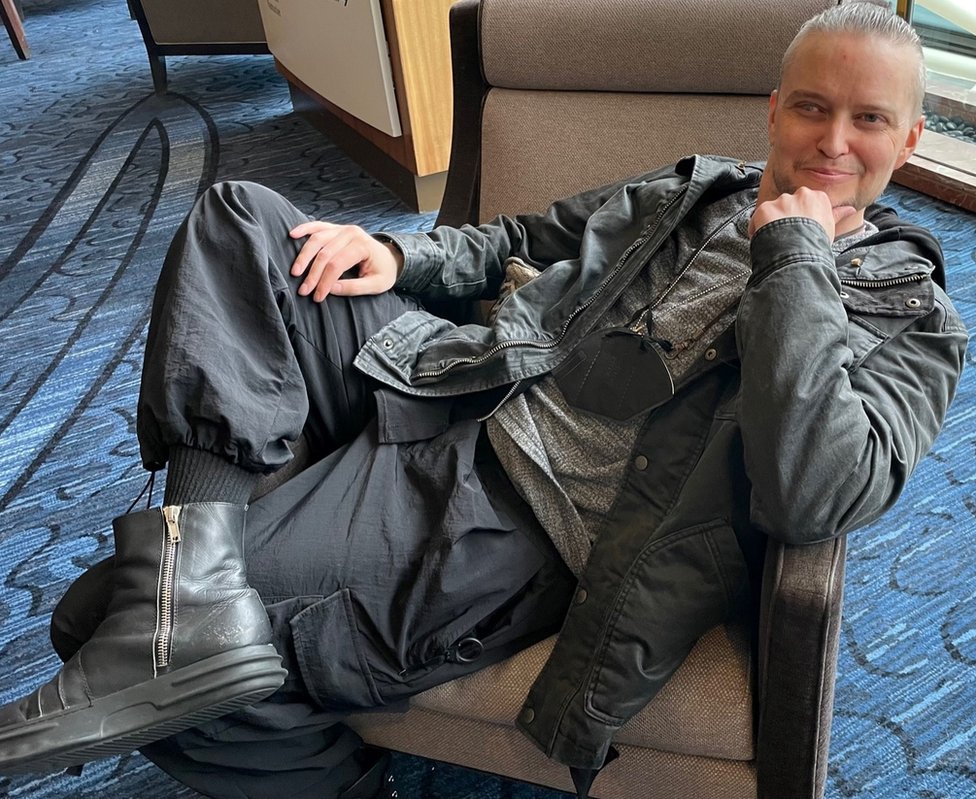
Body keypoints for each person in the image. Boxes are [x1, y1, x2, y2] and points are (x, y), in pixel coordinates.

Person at [0, 2, 968, 798]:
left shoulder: (914, 317)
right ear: (770, 110)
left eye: (869, 119)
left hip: (517, 520)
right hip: (463, 383)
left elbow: (815, 491)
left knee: (94, 616)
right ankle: (191, 590)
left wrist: (792, 257)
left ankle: (319, 771)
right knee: (247, 221)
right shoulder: (696, 190)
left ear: (913, 136)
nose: (831, 141)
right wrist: (399, 254)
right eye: (810, 108)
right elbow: (523, 237)